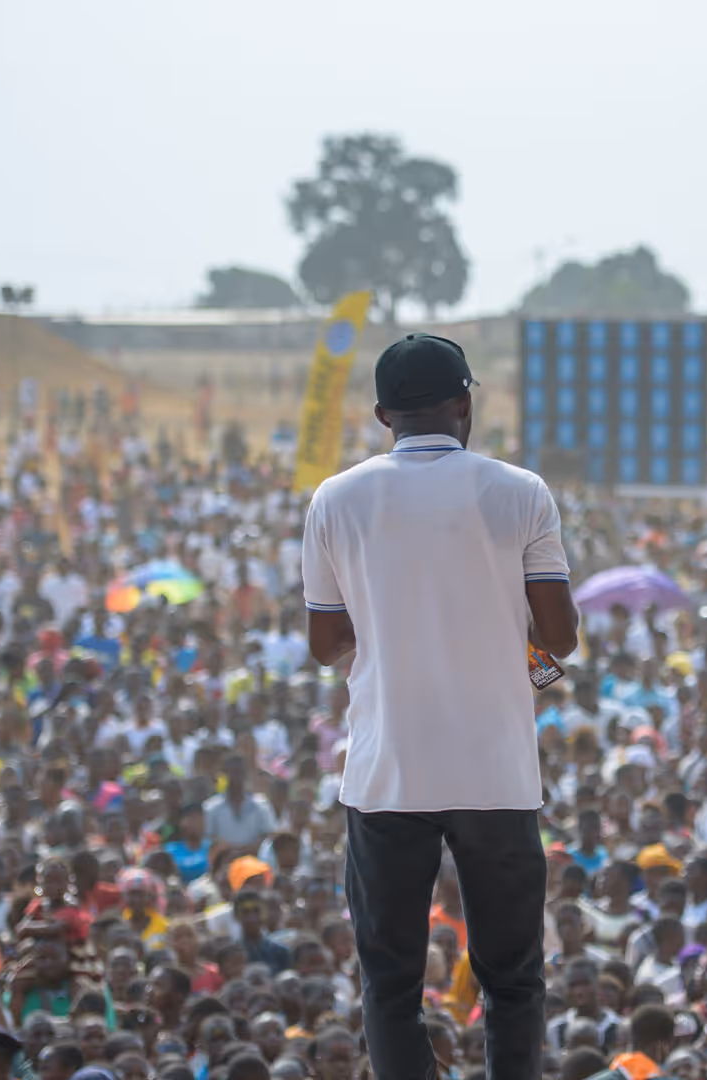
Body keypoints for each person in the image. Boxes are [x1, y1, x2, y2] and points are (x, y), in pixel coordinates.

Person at [301, 333, 579, 1080]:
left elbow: (325, 642)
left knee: (390, 987)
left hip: (387, 772)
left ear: (383, 414)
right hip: (496, 775)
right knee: (513, 980)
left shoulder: (336, 498)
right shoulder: (520, 492)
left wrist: (389, 622)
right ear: (464, 402)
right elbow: (560, 638)